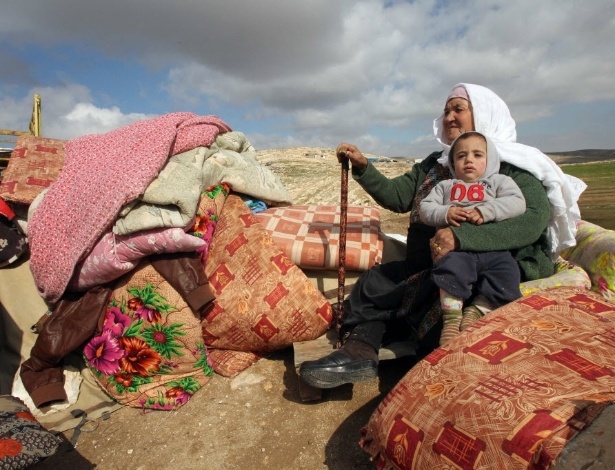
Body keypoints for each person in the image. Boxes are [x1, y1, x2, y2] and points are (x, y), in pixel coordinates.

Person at [299, 83, 586, 390]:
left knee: (442, 313)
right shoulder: (436, 163)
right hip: (428, 265)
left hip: (484, 266)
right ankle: (359, 351)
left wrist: (462, 239)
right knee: (374, 285)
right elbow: (398, 197)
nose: (449, 116)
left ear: (484, 116)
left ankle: (436, 377)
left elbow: (532, 220)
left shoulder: (512, 165)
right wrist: (365, 168)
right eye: (446, 110)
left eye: (458, 109)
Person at [418, 131, 526, 346]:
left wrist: (487, 211)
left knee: (508, 273)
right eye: (461, 156)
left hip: (492, 248)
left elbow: (517, 202)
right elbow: (425, 208)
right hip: (457, 251)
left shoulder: (498, 182)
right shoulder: (445, 186)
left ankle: (476, 312)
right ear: (452, 162)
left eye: (478, 155)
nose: (469, 160)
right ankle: (451, 320)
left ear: (491, 159)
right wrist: (446, 212)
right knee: (449, 269)